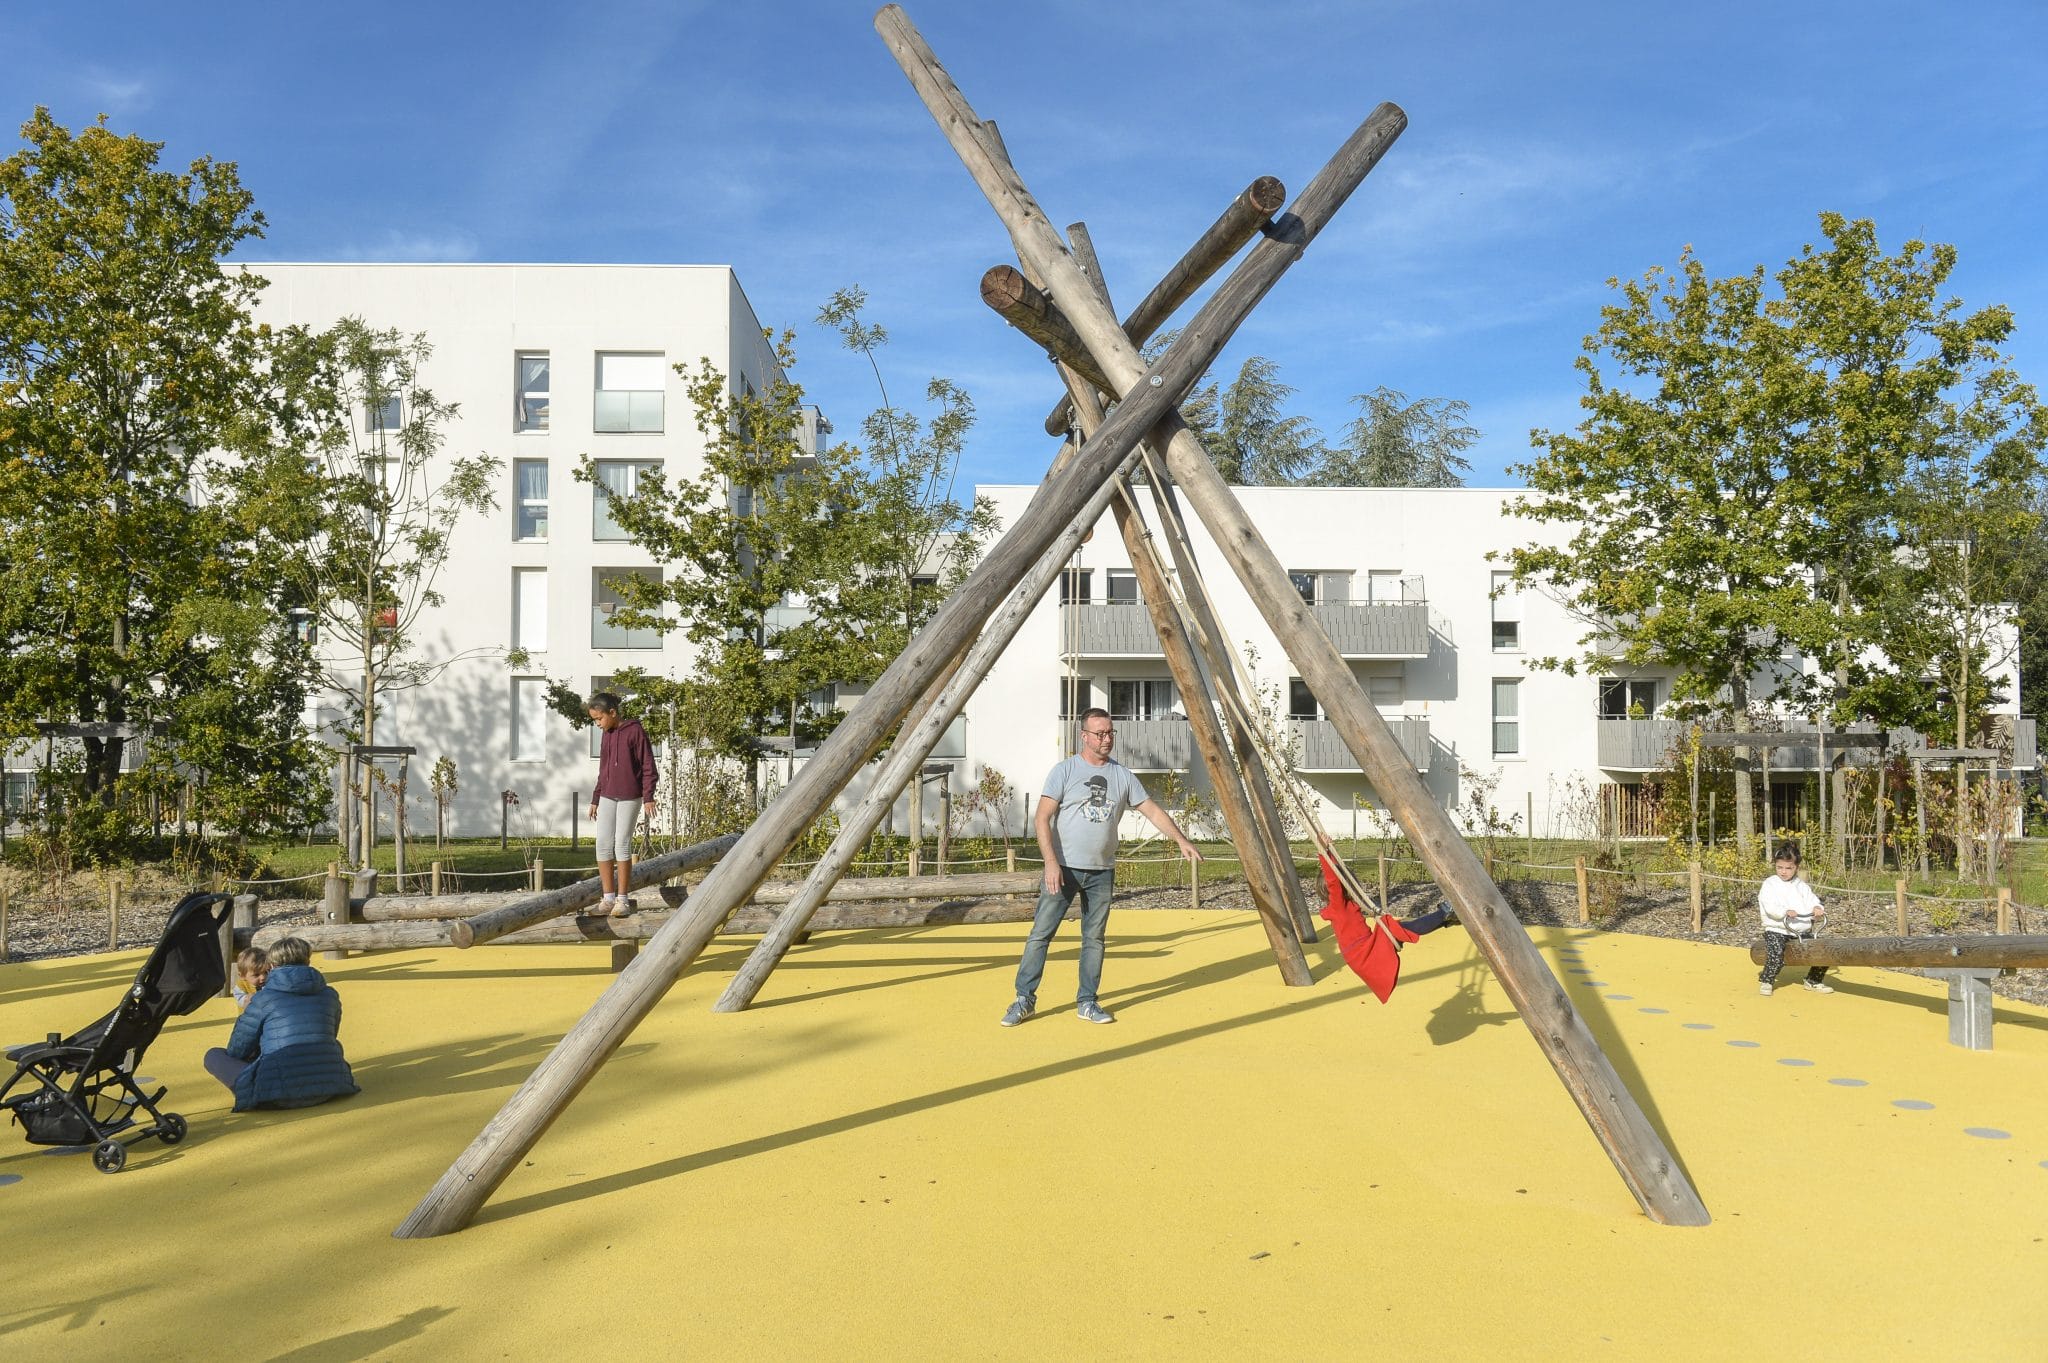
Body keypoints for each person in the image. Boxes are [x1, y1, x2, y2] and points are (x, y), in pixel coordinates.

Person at [1001, 707, 1202, 1027]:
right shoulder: (1064, 771)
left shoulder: (1123, 776)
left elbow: (1152, 811)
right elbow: (1041, 818)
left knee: (1094, 938)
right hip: (1063, 869)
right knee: (1041, 934)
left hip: (1102, 871)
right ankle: (1024, 999)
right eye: (1100, 733)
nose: (1107, 738)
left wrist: (1181, 839)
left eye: (1110, 733)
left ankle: (1088, 1002)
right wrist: (1050, 863)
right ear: (1084, 736)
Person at [203, 937, 360, 1111]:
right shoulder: (330, 995)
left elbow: (237, 1050)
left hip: (276, 1096)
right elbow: (330, 1034)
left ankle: (256, 1089)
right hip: (332, 1087)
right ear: (308, 960)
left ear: (272, 966)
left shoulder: (263, 998)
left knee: (214, 1056)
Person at [586, 691, 659, 916]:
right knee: (603, 844)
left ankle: (622, 900)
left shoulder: (635, 731)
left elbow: (648, 765)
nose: (597, 724)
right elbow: (604, 769)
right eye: (594, 720)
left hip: (630, 795)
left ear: (613, 713)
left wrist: (648, 796)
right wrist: (596, 798)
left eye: (599, 719)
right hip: (608, 794)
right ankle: (608, 899)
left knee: (622, 844)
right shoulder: (607, 735)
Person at [1757, 844, 1832, 996]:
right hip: (1778, 929)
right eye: (1780, 867)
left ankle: (1813, 980)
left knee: (1824, 951)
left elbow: (1812, 900)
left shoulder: (1801, 885)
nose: (1783, 872)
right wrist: (1784, 912)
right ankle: (1767, 980)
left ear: (1796, 867)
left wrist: (1817, 908)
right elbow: (1769, 905)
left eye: (1788, 868)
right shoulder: (1770, 884)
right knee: (1776, 955)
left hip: (1800, 929)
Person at [231, 946, 270, 1012]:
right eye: (256, 975)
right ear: (243, 976)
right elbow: (239, 998)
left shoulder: (270, 982)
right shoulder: (241, 986)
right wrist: (247, 999)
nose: (263, 977)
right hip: (249, 1015)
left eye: (266, 972)